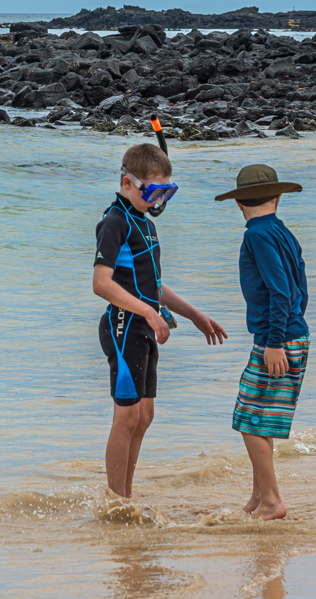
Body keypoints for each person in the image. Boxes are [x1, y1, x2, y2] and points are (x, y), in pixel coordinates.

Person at [92, 144, 227, 499]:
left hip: (144, 328)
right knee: (127, 417)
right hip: (124, 326)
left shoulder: (145, 224)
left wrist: (194, 314)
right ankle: (116, 502)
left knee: (144, 416)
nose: (159, 200)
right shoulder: (115, 222)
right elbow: (101, 283)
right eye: (153, 191)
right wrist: (148, 312)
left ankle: (126, 496)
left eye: (167, 192)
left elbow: (152, 285)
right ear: (127, 182)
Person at [214, 164, 310, 521]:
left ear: (238, 202)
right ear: (278, 198)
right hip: (291, 333)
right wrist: (287, 331)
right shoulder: (282, 231)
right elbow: (300, 288)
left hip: (277, 338)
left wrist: (274, 342)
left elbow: (280, 291)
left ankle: (272, 501)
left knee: (249, 419)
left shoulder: (255, 235)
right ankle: (259, 495)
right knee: (260, 417)